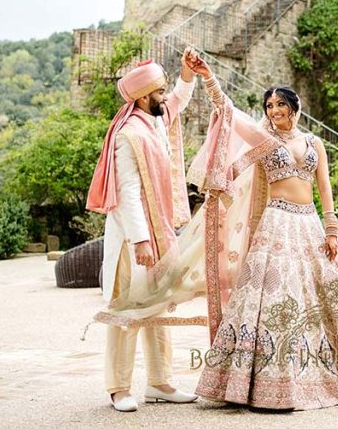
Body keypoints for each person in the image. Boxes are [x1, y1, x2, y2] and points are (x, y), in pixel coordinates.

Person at [184, 53, 338, 410]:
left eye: (281, 104)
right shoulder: (262, 138)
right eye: (269, 105)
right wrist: (208, 76)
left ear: (294, 107)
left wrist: (332, 231)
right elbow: (225, 109)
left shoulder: (314, 143)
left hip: (309, 225)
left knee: (330, 296)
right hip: (276, 225)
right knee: (275, 299)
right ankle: (267, 385)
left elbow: (325, 188)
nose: (274, 110)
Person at [85, 54, 202, 412]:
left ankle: (159, 382)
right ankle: (119, 388)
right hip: (133, 239)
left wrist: (186, 75)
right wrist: (140, 240)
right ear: (142, 96)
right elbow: (127, 194)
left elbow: (178, 100)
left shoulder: (155, 121)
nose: (165, 96)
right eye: (160, 91)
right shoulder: (128, 134)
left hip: (161, 231)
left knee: (157, 306)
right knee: (128, 308)